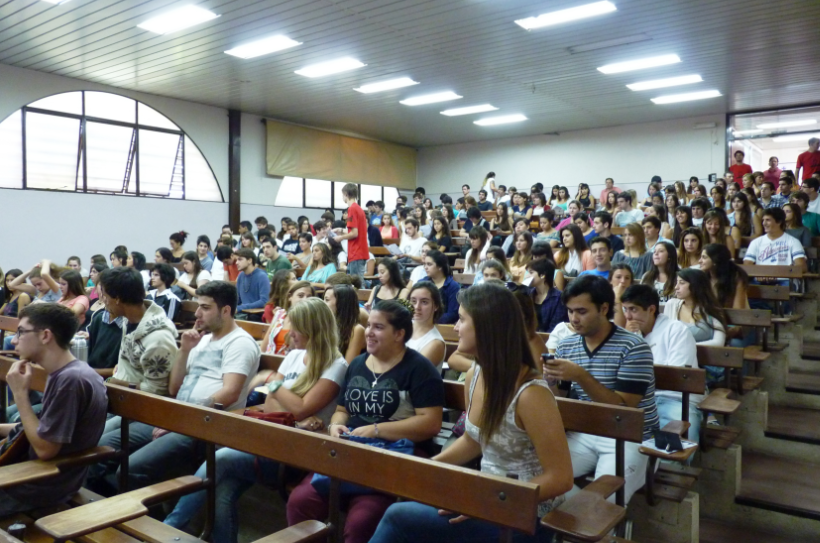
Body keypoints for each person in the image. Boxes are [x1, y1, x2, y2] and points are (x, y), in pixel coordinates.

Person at [371, 283, 572, 543]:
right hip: (487, 498)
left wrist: (486, 500)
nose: (455, 327)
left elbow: (561, 478)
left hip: (525, 516)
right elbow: (473, 438)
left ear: (488, 327)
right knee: (408, 501)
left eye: (462, 319)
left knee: (398, 516)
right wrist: (426, 468)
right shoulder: (475, 375)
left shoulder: (531, 394)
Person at [164, 298, 344, 543]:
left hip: (298, 454)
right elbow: (272, 405)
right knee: (222, 492)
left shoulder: (336, 365)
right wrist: (288, 405)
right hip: (271, 439)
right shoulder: (295, 357)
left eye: (297, 327)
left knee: (220, 459)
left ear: (313, 328)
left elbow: (300, 409)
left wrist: (272, 380)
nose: (290, 333)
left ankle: (171, 527)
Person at [287, 301, 444, 543]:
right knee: (300, 502)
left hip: (391, 457)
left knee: (362, 521)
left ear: (399, 334)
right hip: (351, 452)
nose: (368, 332)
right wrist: (335, 425)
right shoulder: (358, 364)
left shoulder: (418, 368)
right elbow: (342, 410)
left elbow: (430, 423)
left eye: (378, 327)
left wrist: (377, 429)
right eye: (368, 325)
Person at [116, 281, 260, 492]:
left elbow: (229, 393)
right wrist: (184, 350)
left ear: (226, 310)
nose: (197, 313)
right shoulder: (202, 340)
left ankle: (145, 523)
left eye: (205, 307)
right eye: (198, 306)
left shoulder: (239, 343)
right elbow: (175, 388)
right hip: (177, 417)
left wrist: (181, 421)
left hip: (205, 427)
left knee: (129, 470)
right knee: (111, 445)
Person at [547, 275, 657, 504]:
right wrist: (550, 382)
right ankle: (580, 512)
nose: (574, 319)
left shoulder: (634, 348)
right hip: (586, 431)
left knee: (605, 502)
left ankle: (595, 518)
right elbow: (562, 398)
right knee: (536, 476)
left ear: (604, 308)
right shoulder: (567, 345)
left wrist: (579, 375)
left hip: (630, 436)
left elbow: (624, 409)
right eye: (570, 311)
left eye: (582, 311)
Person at [0, 304, 107, 515]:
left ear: (45, 335)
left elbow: (46, 449)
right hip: (34, 476)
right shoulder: (66, 373)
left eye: (21, 332)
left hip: (35, 484)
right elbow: (39, 429)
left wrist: (20, 395)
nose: (13, 340)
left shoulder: (70, 380)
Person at [621, 285, 702, 443]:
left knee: (676, 442)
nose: (628, 316)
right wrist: (629, 339)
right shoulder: (627, 336)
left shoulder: (676, 330)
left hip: (675, 399)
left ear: (651, 309)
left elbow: (676, 377)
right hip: (639, 399)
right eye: (625, 309)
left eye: (633, 309)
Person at [743, 207, 807, 275]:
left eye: (768, 220)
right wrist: (760, 274)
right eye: (763, 220)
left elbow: (801, 267)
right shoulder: (756, 242)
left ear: (779, 222)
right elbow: (747, 264)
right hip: (760, 279)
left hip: (784, 280)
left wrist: (780, 273)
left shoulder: (793, 242)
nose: (764, 223)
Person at [405, 282, 446, 371]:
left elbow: (412, 373)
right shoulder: (402, 326)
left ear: (436, 306)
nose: (417, 307)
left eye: (424, 302)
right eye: (413, 301)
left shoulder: (435, 343)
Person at [324, 284, 366, 363]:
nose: (323, 304)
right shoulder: (327, 324)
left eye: (327, 300)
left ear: (341, 303)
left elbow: (348, 365)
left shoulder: (357, 330)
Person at [336, 184, 370, 280]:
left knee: (357, 284)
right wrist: (341, 230)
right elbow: (353, 230)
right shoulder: (358, 209)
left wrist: (340, 238)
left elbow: (354, 234)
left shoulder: (352, 209)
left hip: (356, 251)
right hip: (358, 252)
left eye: (342, 195)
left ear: (346, 194)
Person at [699, 244, 749, 309]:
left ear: (715, 259)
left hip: (731, 316)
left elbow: (738, 309)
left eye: (704, 257)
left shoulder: (735, 277)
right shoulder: (702, 276)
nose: (699, 261)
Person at [418, 250, 460, 324]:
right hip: (422, 323)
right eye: (425, 264)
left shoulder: (453, 286)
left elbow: (453, 314)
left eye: (429, 264)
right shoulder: (421, 283)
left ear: (440, 266)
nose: (425, 267)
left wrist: (431, 320)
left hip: (443, 326)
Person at [526, 259, 567, 333]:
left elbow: (556, 328)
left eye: (531, 272)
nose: (527, 276)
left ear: (542, 275)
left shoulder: (559, 298)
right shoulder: (527, 294)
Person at [234, 249, 271, 313]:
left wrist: (241, 307)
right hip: (243, 313)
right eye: (236, 260)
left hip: (257, 314)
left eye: (240, 259)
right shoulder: (241, 276)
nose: (236, 262)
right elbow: (238, 299)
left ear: (249, 260)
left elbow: (264, 301)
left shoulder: (262, 276)